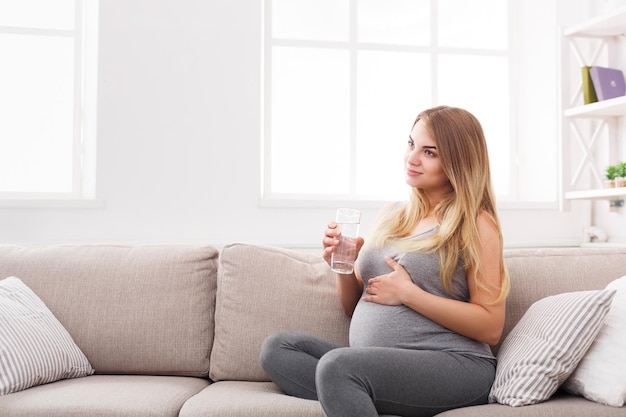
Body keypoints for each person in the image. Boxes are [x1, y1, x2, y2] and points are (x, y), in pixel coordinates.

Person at [259, 105, 509, 417]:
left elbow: (490, 327)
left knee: (338, 367)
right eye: (411, 144)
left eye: (429, 152)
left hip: (456, 365)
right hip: (376, 362)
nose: (412, 158)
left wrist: (410, 295)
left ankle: (350, 386)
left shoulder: (477, 224)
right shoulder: (391, 214)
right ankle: (356, 391)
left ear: (459, 162)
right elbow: (355, 306)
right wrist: (344, 266)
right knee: (279, 348)